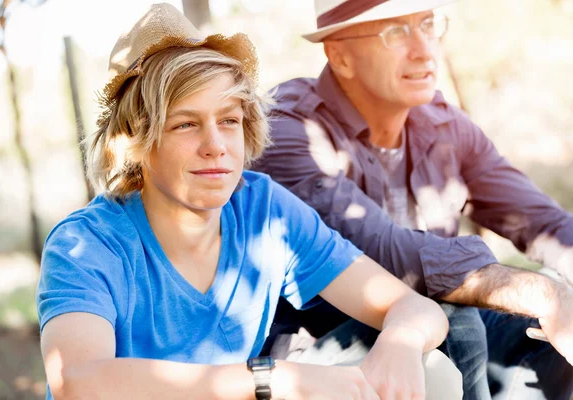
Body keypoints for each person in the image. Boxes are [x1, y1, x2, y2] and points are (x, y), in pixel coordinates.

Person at [36, 3, 463, 400]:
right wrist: (269, 378)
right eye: (185, 124)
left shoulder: (264, 210)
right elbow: (79, 381)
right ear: (135, 142)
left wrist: (400, 340)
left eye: (229, 120)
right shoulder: (86, 244)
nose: (215, 146)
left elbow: (413, 308)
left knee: (431, 370)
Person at [252, 0, 573, 399]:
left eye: (426, 23)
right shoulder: (288, 129)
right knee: (451, 312)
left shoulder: (445, 125)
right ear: (340, 55)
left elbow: (547, 225)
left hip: (430, 338)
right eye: (396, 32)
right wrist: (543, 292)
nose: (424, 49)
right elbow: (390, 255)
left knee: (550, 329)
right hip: (314, 358)